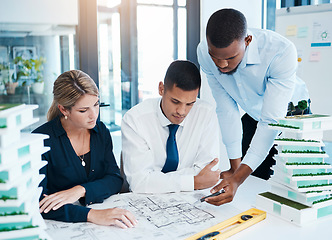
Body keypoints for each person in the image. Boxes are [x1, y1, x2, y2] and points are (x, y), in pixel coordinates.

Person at [197, 9, 310, 205]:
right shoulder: (204, 53)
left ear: (247, 40)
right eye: (215, 57)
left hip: (293, 116)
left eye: (230, 58)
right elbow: (226, 109)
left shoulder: (281, 52)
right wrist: (235, 171)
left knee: (293, 189)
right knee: (249, 181)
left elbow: (270, 121)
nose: (222, 65)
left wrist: (237, 178)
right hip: (254, 113)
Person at [32, 70, 137, 228]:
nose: (93, 115)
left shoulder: (101, 131)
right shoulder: (40, 140)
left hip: (103, 221)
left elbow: (114, 179)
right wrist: (91, 215)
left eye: (96, 105)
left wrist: (80, 190)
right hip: (61, 227)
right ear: (64, 110)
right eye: (83, 110)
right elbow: (40, 203)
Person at [121, 60, 221, 193]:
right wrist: (194, 181)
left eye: (190, 103)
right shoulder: (135, 119)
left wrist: (156, 180)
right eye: (175, 101)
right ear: (161, 89)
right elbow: (140, 183)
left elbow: (209, 172)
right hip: (145, 201)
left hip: (189, 199)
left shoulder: (205, 113)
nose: (181, 111)